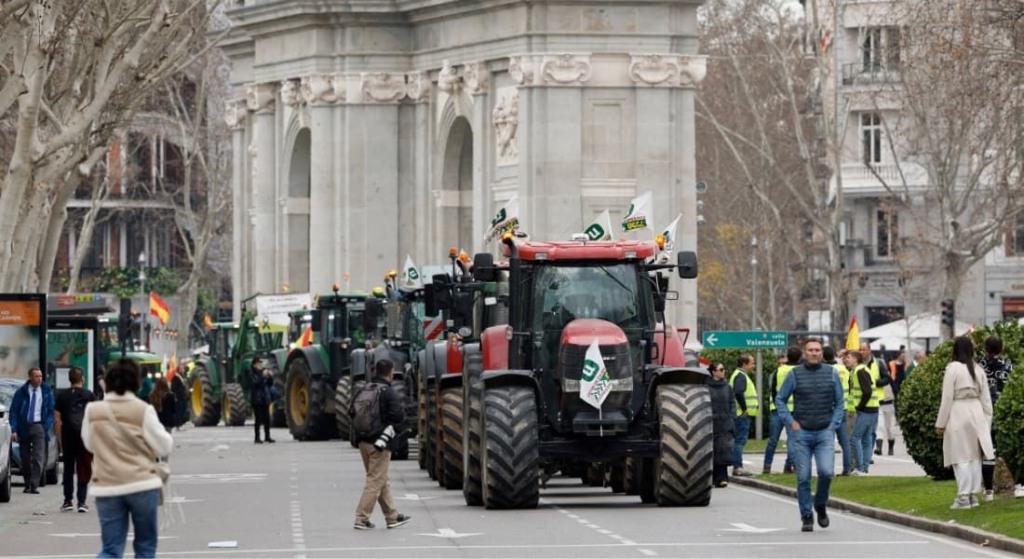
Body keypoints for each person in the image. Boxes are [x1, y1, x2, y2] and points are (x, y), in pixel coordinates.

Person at [82, 358, 174, 558]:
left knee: (110, 549)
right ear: (137, 382)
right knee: (145, 546)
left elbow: (89, 444)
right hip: (141, 484)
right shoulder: (143, 410)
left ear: (107, 381)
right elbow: (164, 445)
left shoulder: (93, 410)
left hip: (107, 486)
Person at [775, 338, 845, 532]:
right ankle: (807, 516)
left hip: (824, 432)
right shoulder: (794, 374)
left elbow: (840, 403)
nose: (814, 353)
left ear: (822, 353)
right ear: (804, 353)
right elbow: (780, 400)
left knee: (826, 472)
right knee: (803, 477)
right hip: (802, 433)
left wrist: (833, 425)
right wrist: (791, 422)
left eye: (817, 350)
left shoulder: (832, 374)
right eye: (811, 350)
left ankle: (820, 504)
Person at [935, 336, 994, 510]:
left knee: (960, 456)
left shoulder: (952, 368)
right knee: (975, 457)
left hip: (958, 412)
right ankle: (973, 495)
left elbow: (947, 397)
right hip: (976, 413)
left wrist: (941, 423)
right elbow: (986, 400)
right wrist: (986, 423)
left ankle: (963, 496)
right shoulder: (978, 369)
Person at [353, 359, 411, 530]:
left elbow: (352, 412)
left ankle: (391, 516)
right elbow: (398, 416)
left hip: (363, 441)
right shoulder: (388, 392)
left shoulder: (364, 389)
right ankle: (361, 518)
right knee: (374, 481)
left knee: (381, 480)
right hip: (380, 443)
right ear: (391, 373)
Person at [977, 335, 1021, 500]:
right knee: (1010, 450)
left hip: (984, 412)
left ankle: (988, 491)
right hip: (1004, 411)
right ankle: (1018, 486)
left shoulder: (979, 366)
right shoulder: (1008, 365)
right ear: (1001, 348)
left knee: (989, 451)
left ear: (986, 349)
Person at [54, 366, 96, 512]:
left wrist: (60, 440)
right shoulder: (89, 395)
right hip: (84, 436)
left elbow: (57, 420)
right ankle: (82, 502)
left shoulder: (61, 396)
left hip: (67, 435)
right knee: (83, 467)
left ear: (69, 379)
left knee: (68, 469)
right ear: (82, 379)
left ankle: (67, 501)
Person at [9, 366, 55, 494]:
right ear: (30, 377)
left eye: (40, 376)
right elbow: (14, 411)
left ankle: (34, 484)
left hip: (39, 426)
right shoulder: (21, 392)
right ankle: (27, 483)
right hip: (24, 426)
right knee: (25, 457)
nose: (39, 379)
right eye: (37, 376)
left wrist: (46, 426)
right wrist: (14, 429)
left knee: (38, 457)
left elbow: (51, 411)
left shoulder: (46, 391)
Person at [763, 346, 801, 475]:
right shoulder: (800, 371)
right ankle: (792, 465)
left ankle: (767, 467)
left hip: (778, 410)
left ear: (787, 357)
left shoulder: (779, 371)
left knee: (773, 440)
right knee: (793, 440)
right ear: (799, 358)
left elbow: (773, 390)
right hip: (794, 411)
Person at [847, 349, 877, 475]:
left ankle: (860, 468)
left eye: (848, 357)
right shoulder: (857, 370)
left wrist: (860, 406)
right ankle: (864, 468)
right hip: (871, 408)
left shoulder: (860, 371)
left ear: (855, 359)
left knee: (855, 438)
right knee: (866, 439)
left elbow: (867, 391)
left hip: (866, 409)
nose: (846, 360)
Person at [728, 354, 759, 477]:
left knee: (738, 441)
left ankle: (737, 466)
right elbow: (738, 392)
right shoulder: (741, 376)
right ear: (744, 364)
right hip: (742, 415)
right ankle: (738, 467)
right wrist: (745, 408)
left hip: (739, 413)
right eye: (752, 363)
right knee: (740, 441)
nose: (753, 366)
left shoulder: (738, 375)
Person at [824, 346, 853, 476]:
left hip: (829, 409)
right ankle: (847, 468)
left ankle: (829, 470)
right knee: (844, 441)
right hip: (843, 407)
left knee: (828, 441)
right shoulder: (844, 369)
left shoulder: (825, 370)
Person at [707, 362, 736, 488]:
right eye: (721, 369)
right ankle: (711, 477)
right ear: (713, 372)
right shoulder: (706, 387)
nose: (723, 372)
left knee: (724, 449)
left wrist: (731, 416)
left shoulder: (727, 387)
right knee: (711, 450)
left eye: (724, 369)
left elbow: (732, 402)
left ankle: (722, 478)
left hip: (725, 422)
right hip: (710, 421)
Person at [859, 343, 890, 458]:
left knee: (873, 429)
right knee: (862, 430)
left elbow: (887, 378)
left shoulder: (878, 363)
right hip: (861, 401)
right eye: (860, 349)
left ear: (869, 351)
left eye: (864, 349)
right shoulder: (857, 363)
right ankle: (865, 454)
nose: (862, 352)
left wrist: (875, 383)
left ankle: (869, 454)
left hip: (876, 401)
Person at [250, 357, 275, 444]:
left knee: (267, 419)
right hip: (257, 399)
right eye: (258, 363)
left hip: (265, 399)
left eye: (260, 363)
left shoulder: (262, 373)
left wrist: (270, 377)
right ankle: (257, 437)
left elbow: (269, 384)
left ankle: (267, 436)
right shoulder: (253, 374)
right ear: (254, 365)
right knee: (258, 419)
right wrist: (262, 376)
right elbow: (255, 384)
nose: (260, 365)